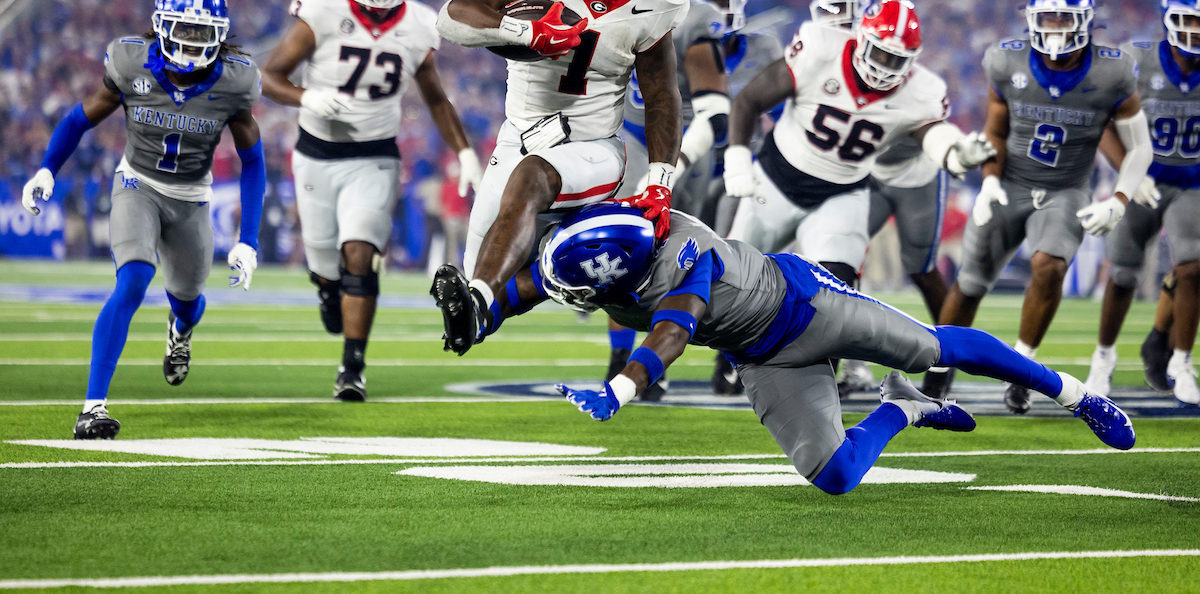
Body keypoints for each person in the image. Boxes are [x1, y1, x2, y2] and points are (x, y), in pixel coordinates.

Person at [435, 203, 1135, 496]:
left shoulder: (683, 257)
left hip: (809, 306)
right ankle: (904, 410)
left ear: (613, 275)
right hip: (764, 358)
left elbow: (672, 333)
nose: (568, 297)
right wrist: (480, 313)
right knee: (833, 477)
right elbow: (528, 286)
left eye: (581, 292)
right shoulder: (606, 244)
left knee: (929, 347)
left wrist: (621, 388)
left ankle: (1075, 393)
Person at [433, 0, 688, 338]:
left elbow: (661, 94)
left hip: (596, 147)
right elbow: (451, 18)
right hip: (519, 135)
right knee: (478, 279)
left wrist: (659, 181)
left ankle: (486, 297)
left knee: (532, 181)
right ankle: (498, 301)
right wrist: (524, 31)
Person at [22, 0, 265, 438]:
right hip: (138, 184)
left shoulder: (235, 83)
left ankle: (180, 329)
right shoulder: (131, 63)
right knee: (133, 279)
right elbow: (79, 118)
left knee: (188, 303)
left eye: (203, 31)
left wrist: (248, 239)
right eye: (185, 28)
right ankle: (92, 408)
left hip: (192, 200)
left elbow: (252, 160)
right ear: (162, 25)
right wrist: (48, 167)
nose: (193, 41)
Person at [722, 0, 995, 398]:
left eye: (896, 60)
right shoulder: (821, 47)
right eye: (880, 54)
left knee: (835, 290)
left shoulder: (921, 90)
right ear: (861, 39)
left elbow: (933, 133)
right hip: (776, 179)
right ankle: (727, 361)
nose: (884, 66)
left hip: (842, 190)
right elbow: (749, 99)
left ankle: (819, 384)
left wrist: (957, 153)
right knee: (734, 277)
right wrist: (736, 159)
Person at [262, 0, 482, 401]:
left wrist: (464, 152)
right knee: (327, 266)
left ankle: (352, 366)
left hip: (375, 157)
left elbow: (436, 99)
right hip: (316, 155)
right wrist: (307, 97)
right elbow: (269, 76)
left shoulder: (417, 25)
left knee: (360, 254)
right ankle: (327, 287)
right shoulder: (322, 12)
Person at [926, 0, 1153, 412]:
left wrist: (1120, 199)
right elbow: (996, 131)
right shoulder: (1006, 61)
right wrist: (990, 181)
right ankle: (936, 376)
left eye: (1064, 19)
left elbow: (1139, 146)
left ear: (1085, 22)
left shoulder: (1112, 70)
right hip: (1011, 182)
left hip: (1066, 188)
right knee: (970, 283)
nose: (1054, 28)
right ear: (1032, 20)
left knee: (1049, 267)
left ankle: (1022, 369)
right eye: (1047, 19)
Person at [608, 0, 726, 400]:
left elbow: (714, 102)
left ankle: (655, 359)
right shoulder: (619, 1)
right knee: (625, 246)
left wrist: (685, 157)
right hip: (629, 134)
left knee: (679, 252)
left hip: (684, 141)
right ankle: (621, 356)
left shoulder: (696, 18)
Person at [1083, 0, 1200, 404]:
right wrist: (1130, 173)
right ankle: (1103, 358)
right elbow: (1101, 124)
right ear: (1168, 20)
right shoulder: (1136, 60)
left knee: (1192, 268)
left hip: (1192, 182)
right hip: (1141, 179)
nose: (1195, 30)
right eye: (1188, 20)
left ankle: (1181, 361)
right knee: (1122, 273)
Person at [690, 0, 786, 394]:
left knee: (733, 257)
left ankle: (727, 357)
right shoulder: (680, 43)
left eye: (724, 5)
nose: (719, 14)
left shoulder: (762, 48)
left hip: (742, 169)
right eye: (710, 6)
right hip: (692, 165)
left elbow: (784, 112)